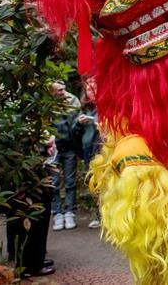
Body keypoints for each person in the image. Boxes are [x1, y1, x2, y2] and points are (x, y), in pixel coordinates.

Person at [5, 135, 56, 277]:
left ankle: (30, 260)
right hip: (29, 174)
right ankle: (31, 265)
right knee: (34, 217)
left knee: (27, 216)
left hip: (24, 171)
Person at [49, 81, 80, 231]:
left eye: (64, 89)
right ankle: (57, 213)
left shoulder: (73, 100)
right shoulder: (46, 104)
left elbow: (77, 125)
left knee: (70, 181)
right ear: (52, 91)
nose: (63, 92)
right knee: (53, 182)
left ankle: (69, 211)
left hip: (69, 147)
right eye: (59, 90)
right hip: (52, 149)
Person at [74, 77, 101, 229]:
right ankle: (98, 215)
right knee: (93, 184)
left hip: (103, 150)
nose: (91, 90)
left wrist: (96, 122)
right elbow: (74, 132)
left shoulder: (107, 105)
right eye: (89, 88)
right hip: (88, 151)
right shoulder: (85, 108)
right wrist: (78, 123)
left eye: (94, 87)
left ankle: (108, 216)